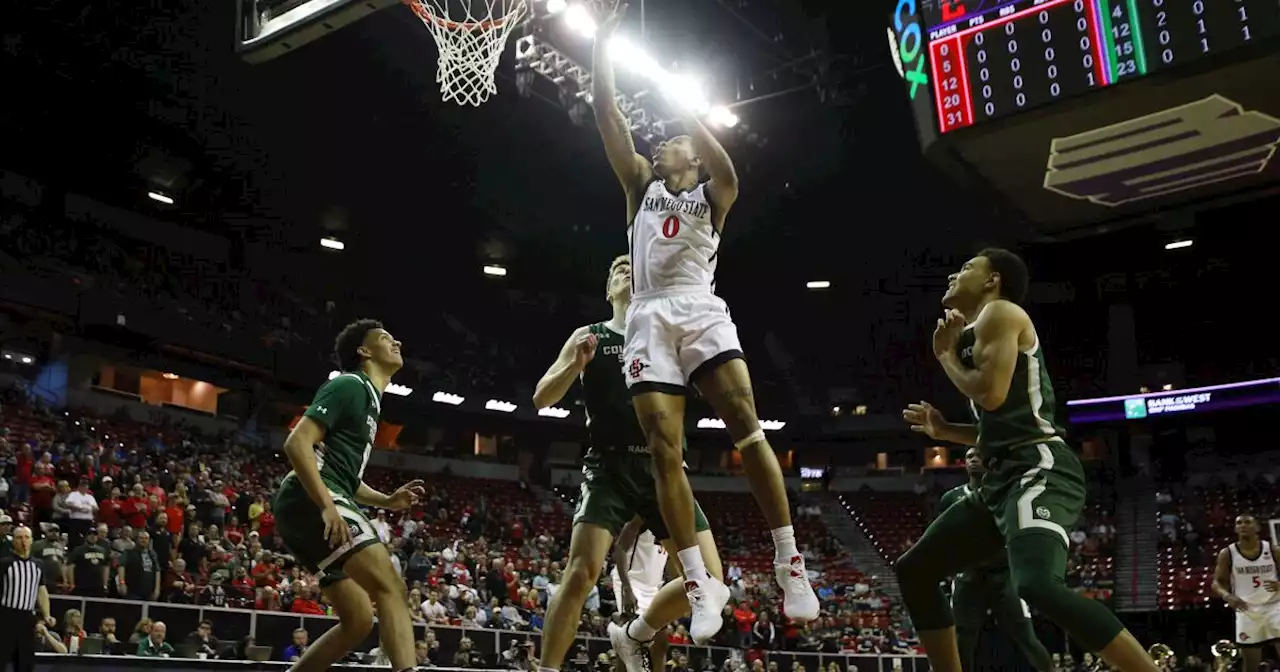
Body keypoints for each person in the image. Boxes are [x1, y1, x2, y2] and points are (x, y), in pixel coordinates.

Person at [589, 1, 818, 641]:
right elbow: (608, 117)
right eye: (665, 139)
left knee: (746, 422)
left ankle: (789, 561)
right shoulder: (640, 184)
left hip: (699, 304)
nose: (664, 141)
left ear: (691, 153)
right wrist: (605, 44)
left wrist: (681, 103)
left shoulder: (712, 192)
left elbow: (729, 167)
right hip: (649, 316)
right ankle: (695, 581)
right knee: (666, 452)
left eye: (676, 140)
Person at [897, 248, 1157, 672]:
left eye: (965, 268)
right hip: (1000, 476)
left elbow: (991, 394)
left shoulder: (1001, 311)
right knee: (915, 571)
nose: (952, 273)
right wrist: (945, 431)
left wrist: (945, 357)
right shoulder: (976, 331)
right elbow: (1000, 423)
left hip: (1038, 467)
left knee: (1036, 585)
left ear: (991, 280)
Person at [532, 256, 724, 672]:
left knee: (711, 583)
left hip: (665, 469)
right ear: (607, 290)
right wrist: (573, 366)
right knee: (581, 572)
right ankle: (547, 669)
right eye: (617, 269)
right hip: (608, 468)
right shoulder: (589, 335)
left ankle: (634, 633)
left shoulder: (668, 334)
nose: (625, 270)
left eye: (632, 267)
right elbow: (542, 397)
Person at [272, 319, 426, 672]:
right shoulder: (349, 385)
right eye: (386, 338)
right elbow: (297, 443)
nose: (397, 340)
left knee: (358, 621)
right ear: (364, 350)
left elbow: (347, 478)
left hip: (314, 500)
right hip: (308, 496)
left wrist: (386, 501)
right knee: (392, 587)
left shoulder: (371, 401)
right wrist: (327, 505)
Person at [940, 447, 1055, 672]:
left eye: (978, 456)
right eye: (968, 457)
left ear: (990, 462)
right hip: (968, 576)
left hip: (1004, 575)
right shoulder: (951, 498)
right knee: (962, 642)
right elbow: (941, 536)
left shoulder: (1007, 494)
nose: (973, 459)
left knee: (1026, 637)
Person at [1212, 513, 1280, 672]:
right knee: (1250, 666)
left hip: (1275, 607)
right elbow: (1216, 583)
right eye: (1239, 523)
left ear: (1257, 527)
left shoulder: (1272, 550)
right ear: (1236, 528)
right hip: (1246, 610)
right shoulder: (1227, 553)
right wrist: (1227, 596)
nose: (1243, 525)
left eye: (1248, 522)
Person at [0, 526, 55, 672]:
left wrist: (47, 614)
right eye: (19, 537)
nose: (23, 541)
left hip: (27, 618)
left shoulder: (38, 564)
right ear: (13, 541)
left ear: (31, 540)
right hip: (6, 615)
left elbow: (41, 590)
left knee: (25, 662)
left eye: (26, 537)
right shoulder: (5, 563)